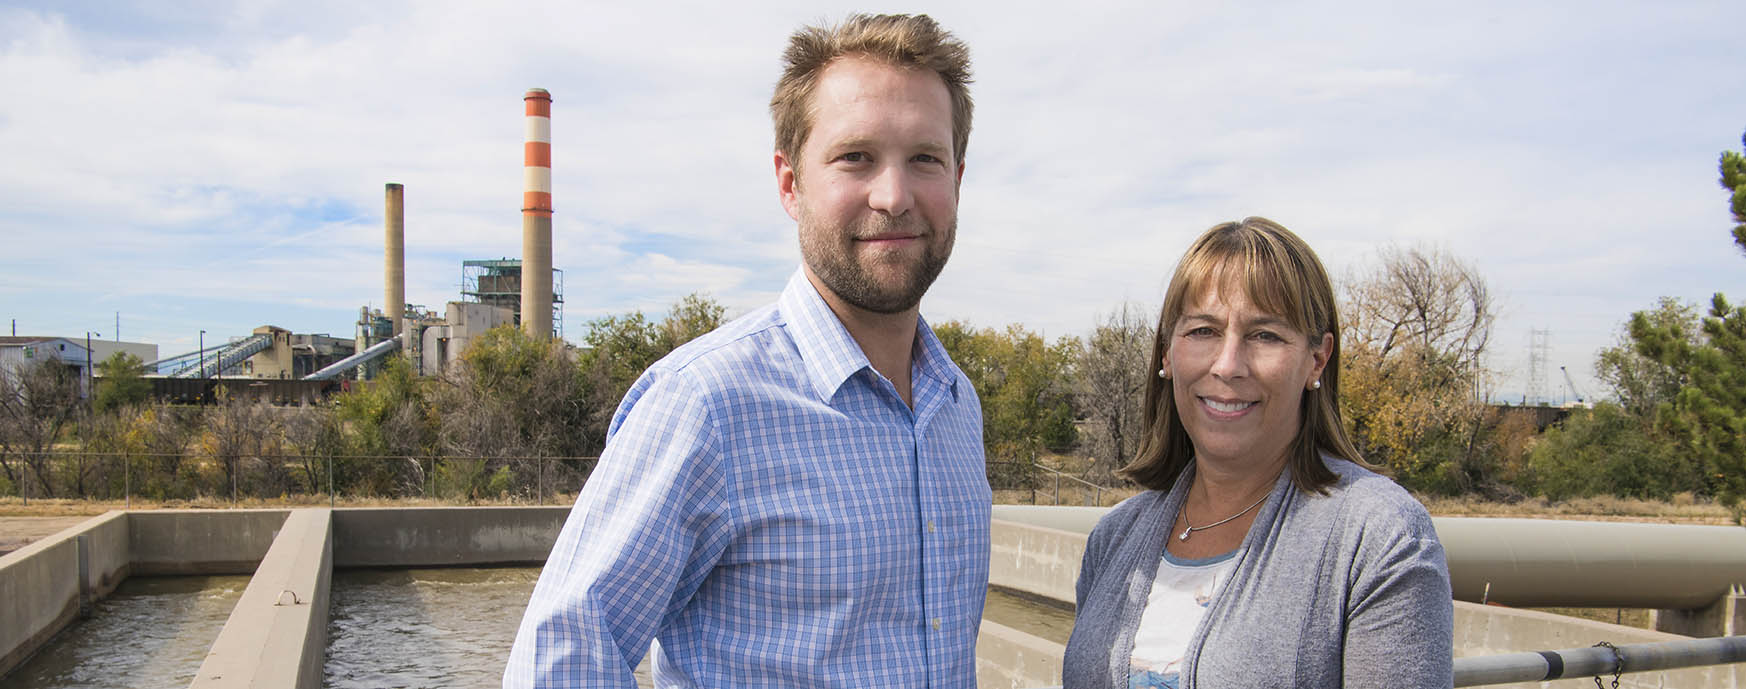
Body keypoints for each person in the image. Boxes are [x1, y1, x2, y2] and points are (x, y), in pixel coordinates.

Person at [503, 13, 989, 689]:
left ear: (957, 179)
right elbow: (558, 662)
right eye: (856, 158)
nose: (894, 195)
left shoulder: (957, 406)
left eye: (924, 159)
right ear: (790, 184)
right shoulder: (705, 403)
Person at [1062, 218, 1453, 688]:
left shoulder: (1378, 538)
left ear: (1317, 359)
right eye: (1204, 330)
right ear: (1167, 353)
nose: (1228, 366)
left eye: (1265, 335)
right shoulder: (1114, 540)